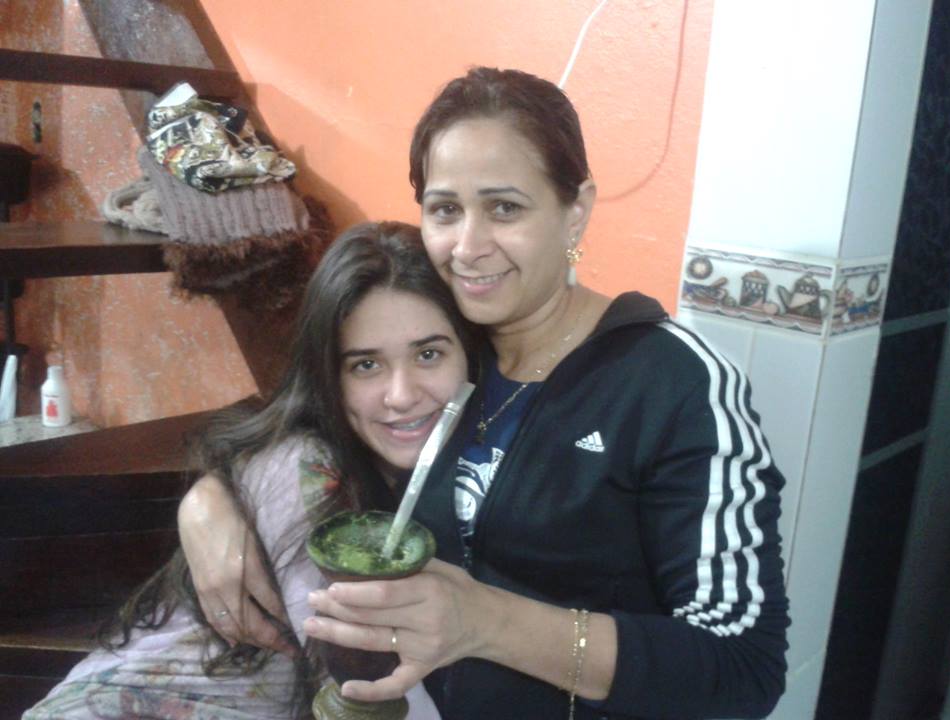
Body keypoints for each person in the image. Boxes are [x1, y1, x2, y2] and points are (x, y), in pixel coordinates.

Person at [181, 68, 790, 720]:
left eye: (505, 208)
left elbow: (742, 668)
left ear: (575, 211)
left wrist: (485, 621)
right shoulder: (446, 347)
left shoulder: (674, 383)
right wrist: (210, 497)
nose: (468, 249)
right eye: (446, 210)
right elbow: (306, 412)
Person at [23, 221, 475, 720]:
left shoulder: (462, 466)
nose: (402, 395)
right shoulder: (307, 470)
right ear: (328, 375)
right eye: (365, 365)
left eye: (428, 354)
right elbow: (367, 683)